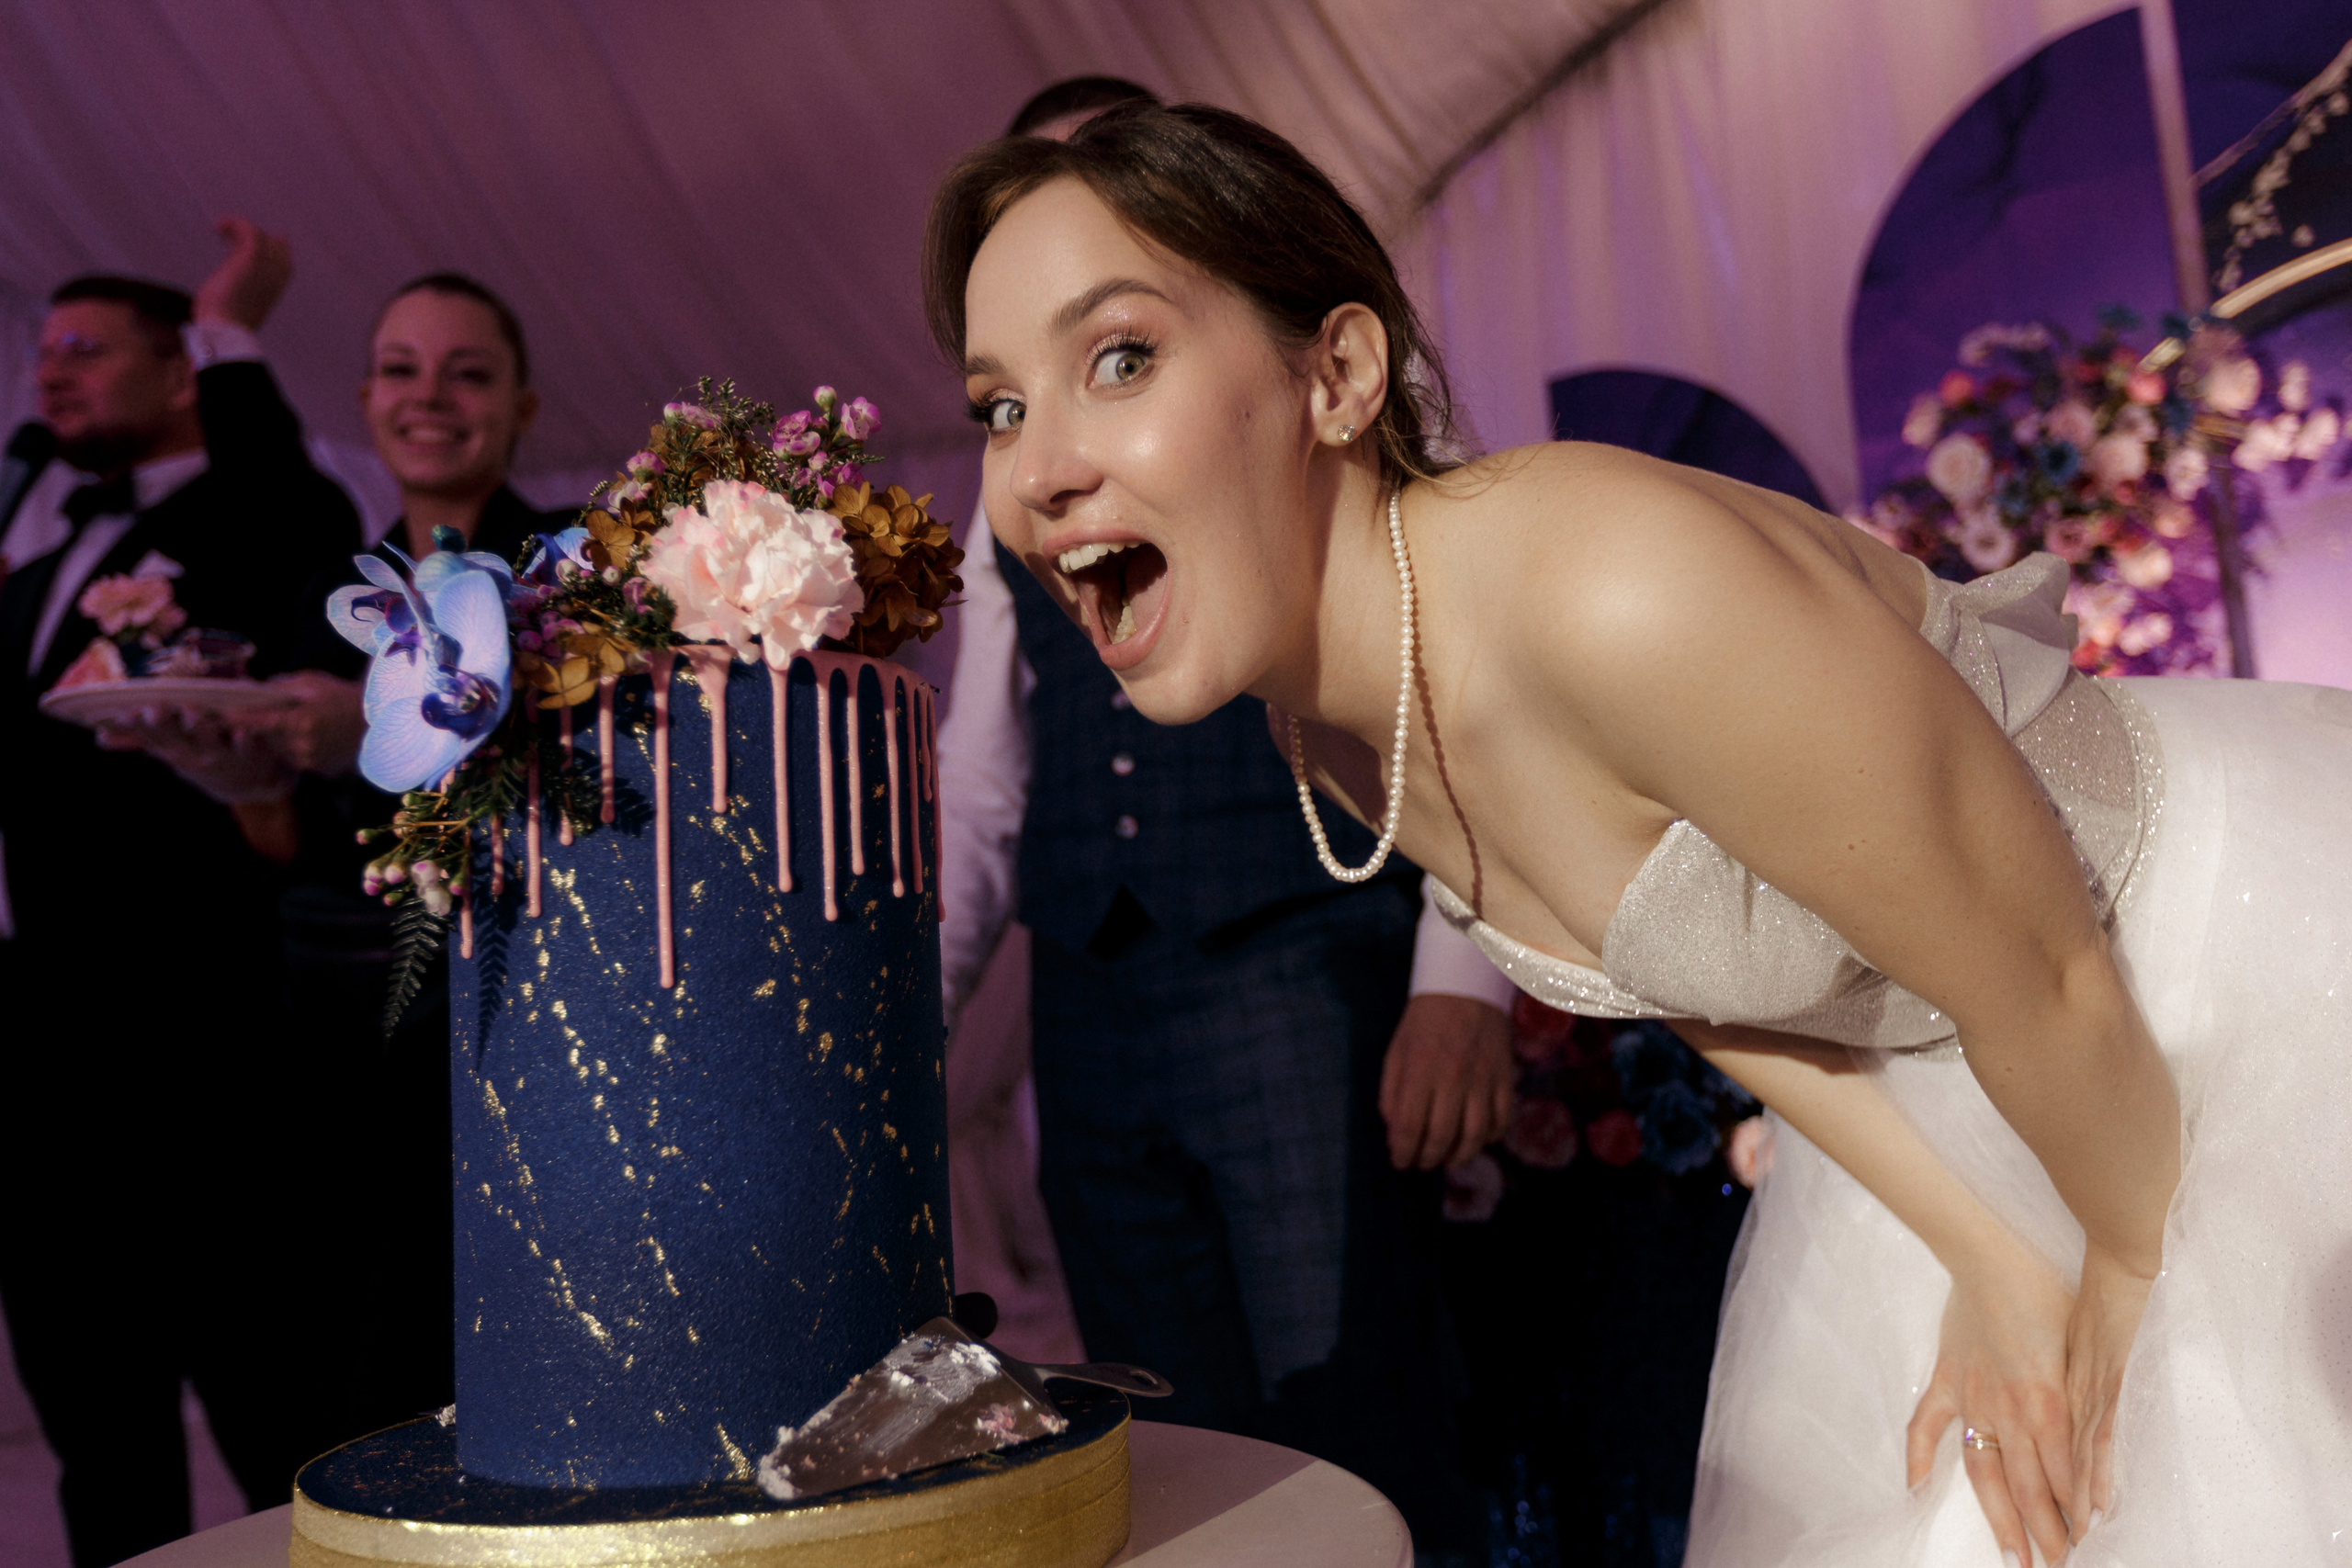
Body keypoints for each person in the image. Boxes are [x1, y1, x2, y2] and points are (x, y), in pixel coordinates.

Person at [924, 103, 2352, 1567]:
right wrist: (1986, 1248)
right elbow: (1678, 962)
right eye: (1000, 406)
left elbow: (2046, 970)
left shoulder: (1612, 590)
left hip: (2189, 991)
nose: (1033, 473)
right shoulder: (1328, 721)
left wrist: (2122, 1271)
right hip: (1980, 1088)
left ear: (1339, 372)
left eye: (1120, 358)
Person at [934, 77, 1512, 1555]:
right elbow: (989, 778)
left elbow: (1446, 697)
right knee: (1159, 1426)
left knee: (1353, 1402)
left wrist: (1459, 987)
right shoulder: (1020, 511)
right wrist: (903, 1012)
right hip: (1090, 995)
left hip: (1296, 963)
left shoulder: (1330, 457)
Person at [0, 219, 361, 1566]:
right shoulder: (39, 569)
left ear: (178, 373)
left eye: (87, 350)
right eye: (41, 352)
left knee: (277, 1417)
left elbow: (298, 515)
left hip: (202, 1048)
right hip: (44, 1062)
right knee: (100, 1432)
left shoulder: (263, 509)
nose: (51, 375)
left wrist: (232, 326)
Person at [268, 272, 570, 1441]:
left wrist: (380, 726)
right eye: (401, 368)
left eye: (468, 371)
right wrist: (241, 778)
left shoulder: (566, 579)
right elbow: (288, 841)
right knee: (349, 1383)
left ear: (523, 406)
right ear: (364, 396)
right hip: (340, 1043)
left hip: (515, 1032)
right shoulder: (324, 597)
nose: (429, 396)